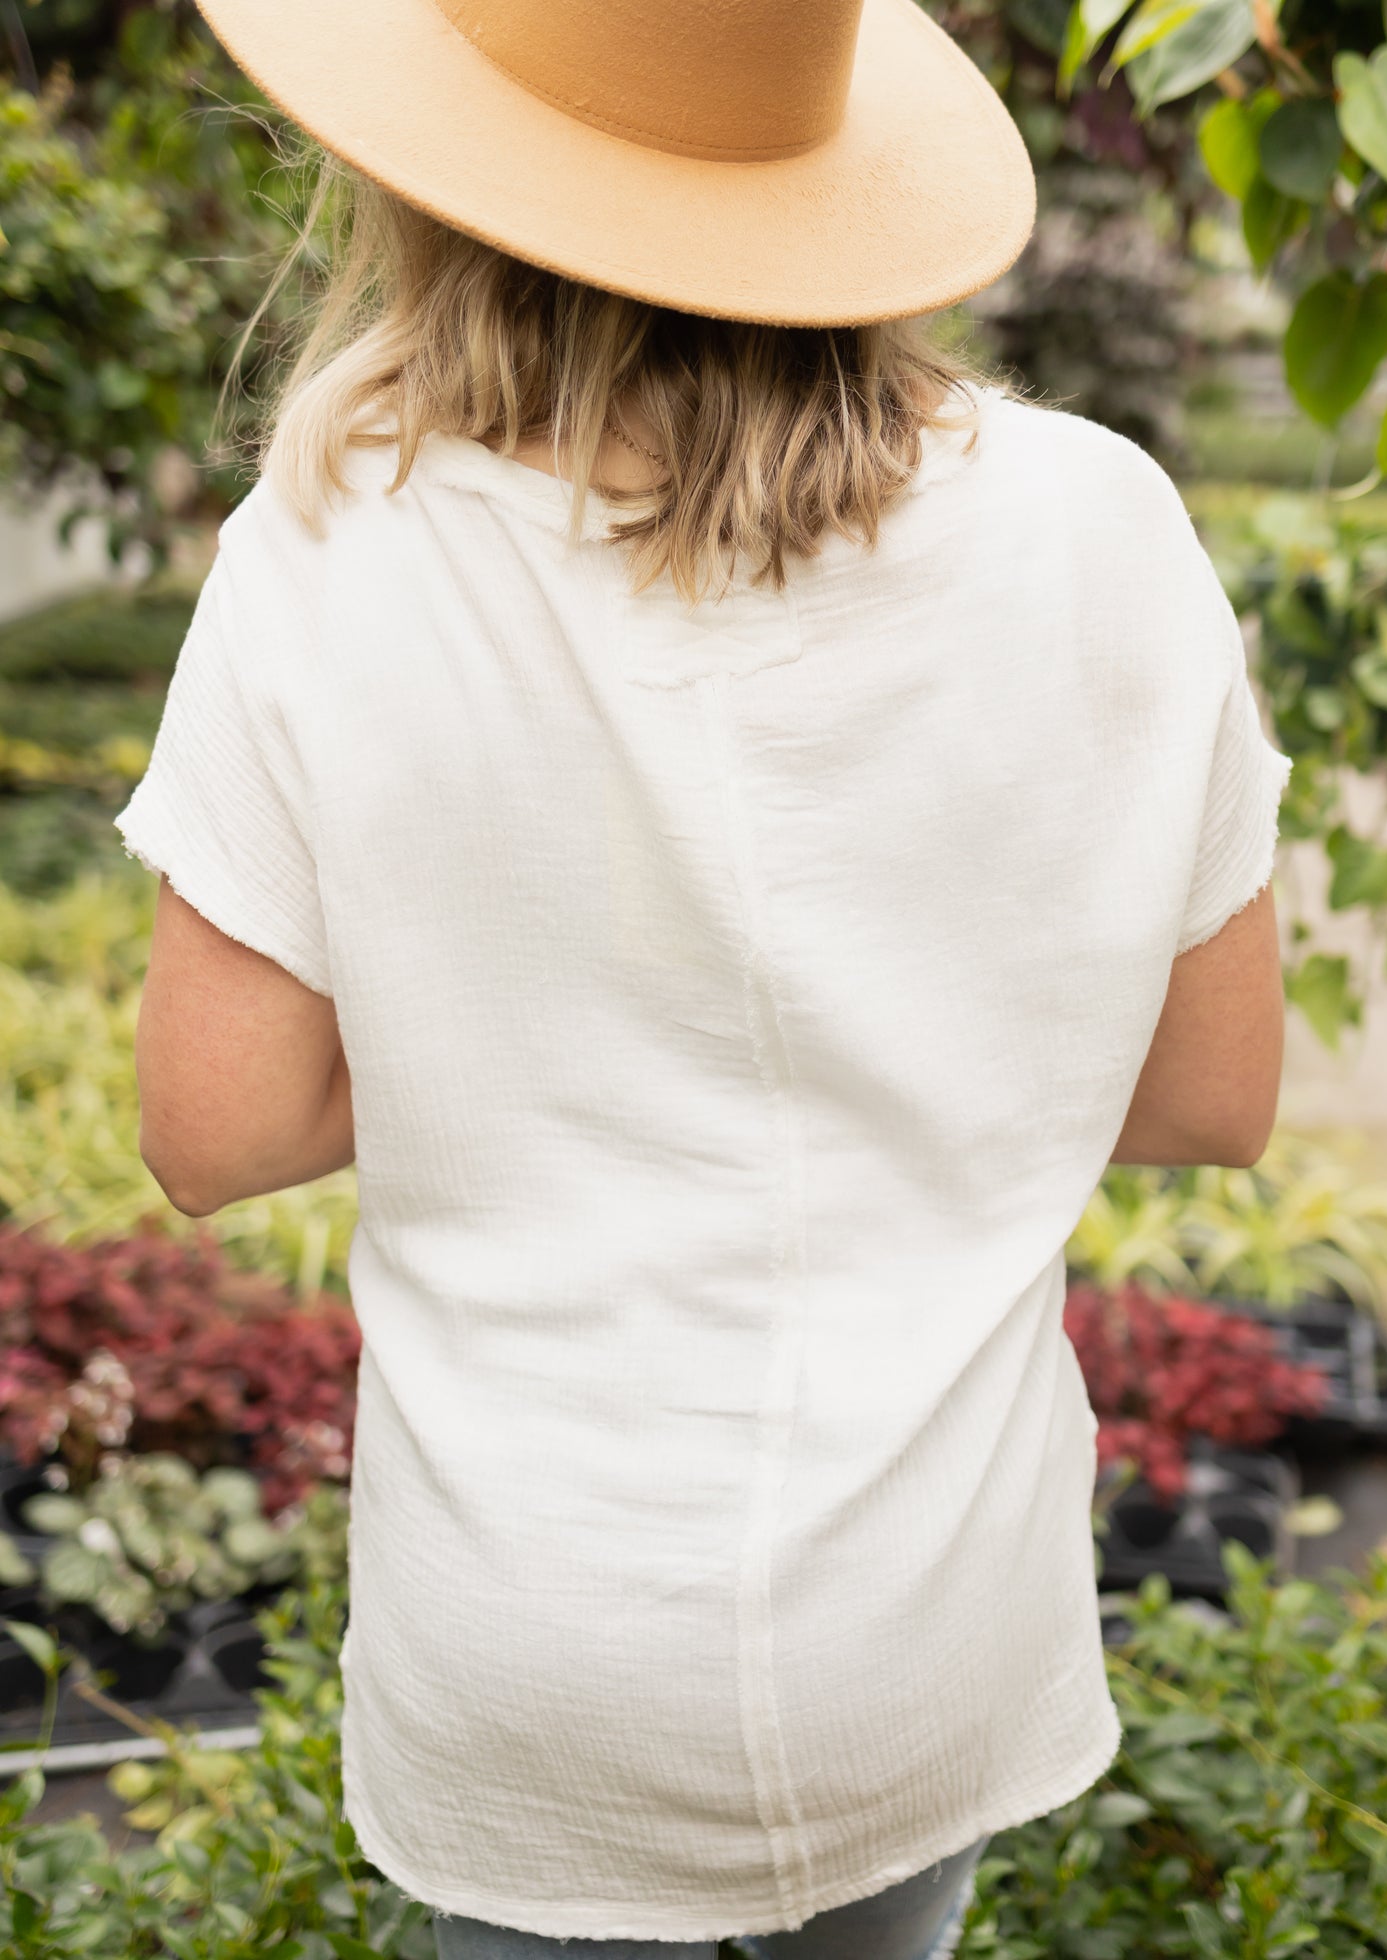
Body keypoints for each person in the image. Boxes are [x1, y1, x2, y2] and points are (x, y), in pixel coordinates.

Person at [112, 0, 1294, 1955]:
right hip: (926, 1612)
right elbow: (1205, 1094)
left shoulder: (332, 550)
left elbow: (218, 1126)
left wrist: (513, 1014)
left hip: (532, 1642)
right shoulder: (1099, 526)